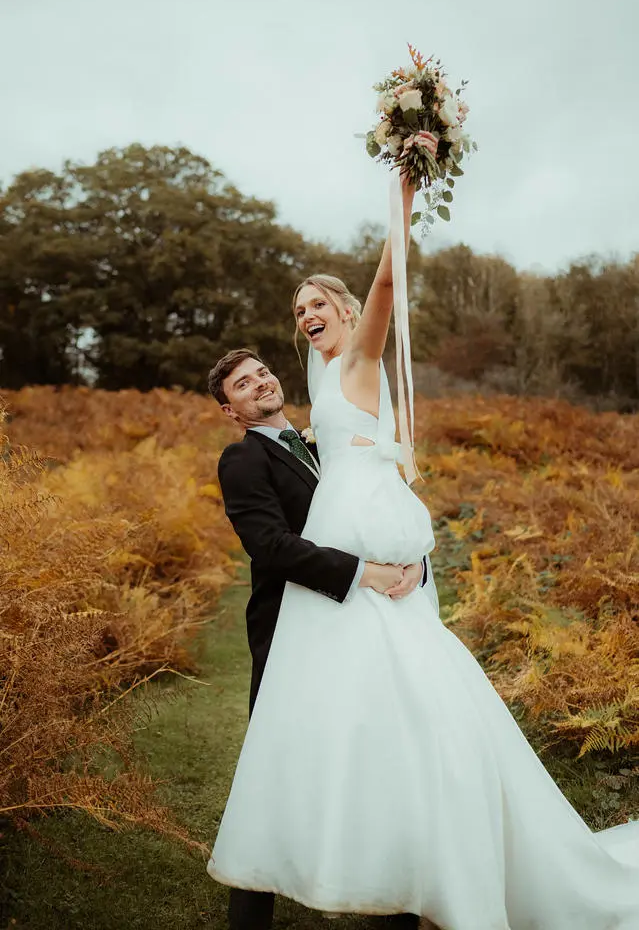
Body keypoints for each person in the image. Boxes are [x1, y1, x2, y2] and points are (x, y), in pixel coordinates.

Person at [208, 148, 639, 929]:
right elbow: (283, 530)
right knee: (339, 724)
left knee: (398, 709)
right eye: (297, 308)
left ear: (343, 309)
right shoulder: (306, 390)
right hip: (324, 586)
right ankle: (353, 874)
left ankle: (410, 874)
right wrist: (366, 564)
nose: (307, 315)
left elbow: (381, 288)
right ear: (233, 407)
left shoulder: (362, 354)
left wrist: (402, 194)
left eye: (318, 303)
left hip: (363, 564)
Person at [208, 348, 431, 929]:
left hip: (354, 627)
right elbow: (270, 545)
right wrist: (364, 571)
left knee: (374, 755)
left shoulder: (323, 446)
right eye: (241, 384)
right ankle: (250, 911)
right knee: (276, 766)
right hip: (288, 627)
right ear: (230, 409)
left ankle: (394, 899)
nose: (258, 383)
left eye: (260, 372)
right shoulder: (242, 459)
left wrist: (412, 567)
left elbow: (375, 511)